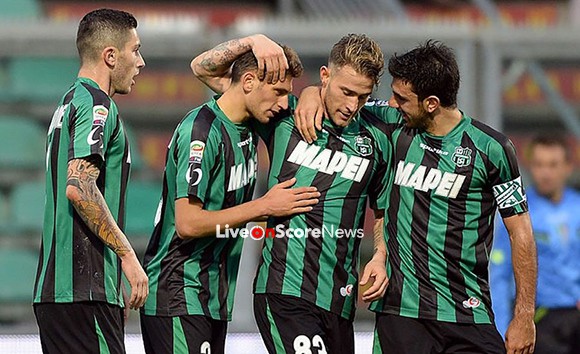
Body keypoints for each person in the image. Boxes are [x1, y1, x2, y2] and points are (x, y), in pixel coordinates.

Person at [296, 40, 537, 354]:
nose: (392, 104)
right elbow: (339, 99)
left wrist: (524, 316)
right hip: (401, 315)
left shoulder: (492, 149)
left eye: (401, 98)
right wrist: (311, 92)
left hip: (466, 313)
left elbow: (521, 233)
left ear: (431, 103)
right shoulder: (393, 128)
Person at [193, 33, 391, 354]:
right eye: (346, 92)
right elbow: (204, 69)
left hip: (339, 301)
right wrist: (253, 42)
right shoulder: (284, 115)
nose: (352, 105)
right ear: (325, 76)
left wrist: (380, 254)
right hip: (285, 292)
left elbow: (381, 206)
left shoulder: (378, 131)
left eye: (363, 96)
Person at [139, 35, 319, 354]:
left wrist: (311, 92)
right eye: (278, 92)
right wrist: (264, 206)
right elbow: (188, 223)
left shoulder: (250, 122)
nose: (282, 104)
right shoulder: (202, 131)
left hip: (210, 296)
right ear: (248, 81)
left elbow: (206, 68)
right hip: (178, 290)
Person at [33, 8, 148, 354]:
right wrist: (127, 257)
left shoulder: (68, 103)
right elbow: (79, 188)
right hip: (84, 291)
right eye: (136, 49)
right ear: (110, 56)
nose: (141, 62)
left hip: (59, 293)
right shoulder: (98, 104)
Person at [491, 134, 580, 354]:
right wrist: (502, 330)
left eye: (553, 165)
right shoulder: (518, 213)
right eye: (539, 165)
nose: (545, 173)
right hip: (539, 318)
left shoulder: (577, 208)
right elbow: (499, 274)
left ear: (568, 167)